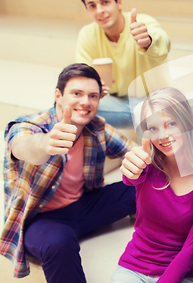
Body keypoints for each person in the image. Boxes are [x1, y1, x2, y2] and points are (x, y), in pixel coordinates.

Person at [1, 63, 136, 282]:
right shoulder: (30, 126)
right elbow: (23, 145)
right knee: (59, 242)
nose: (85, 102)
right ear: (58, 96)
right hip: (41, 219)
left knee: (140, 187)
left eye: (93, 96)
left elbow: (133, 151)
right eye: (76, 93)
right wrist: (45, 143)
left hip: (83, 206)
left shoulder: (96, 127)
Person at [111, 87, 193, 283]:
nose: (162, 135)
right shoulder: (146, 163)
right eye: (153, 128)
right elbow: (131, 176)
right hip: (135, 265)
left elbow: (191, 250)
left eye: (171, 123)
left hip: (186, 273)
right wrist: (131, 166)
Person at [76, 0, 171, 128]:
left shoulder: (142, 23)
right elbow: (82, 75)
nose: (99, 10)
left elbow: (163, 44)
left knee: (149, 119)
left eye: (105, 2)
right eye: (92, 6)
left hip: (155, 102)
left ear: (118, 2)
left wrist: (148, 41)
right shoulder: (87, 34)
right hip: (118, 104)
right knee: (74, 107)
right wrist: (94, 87)